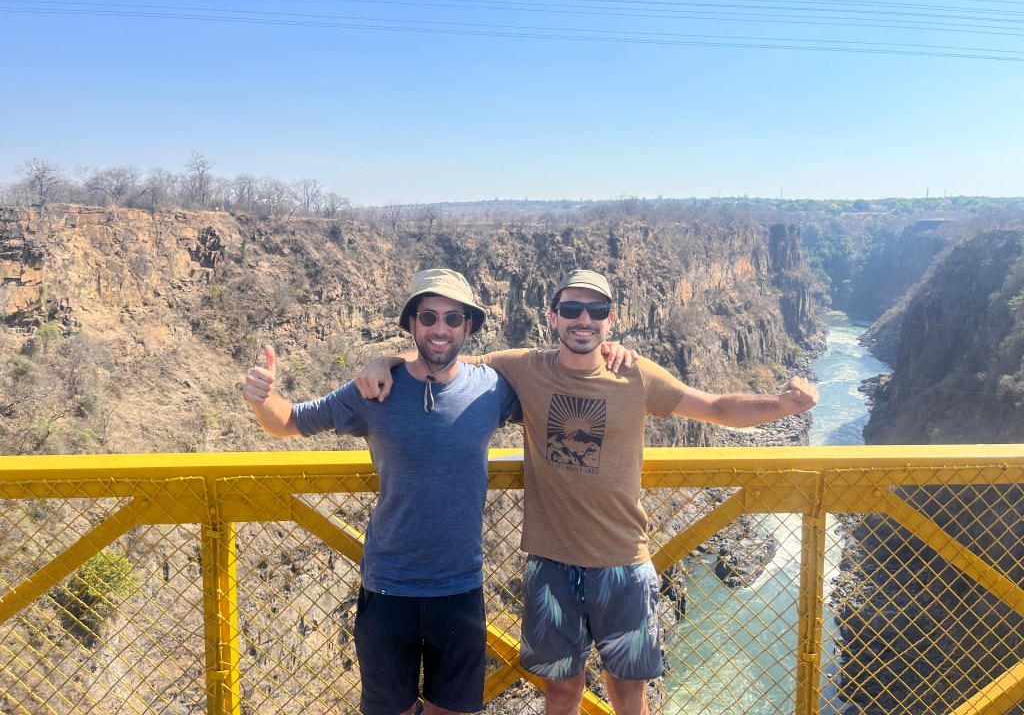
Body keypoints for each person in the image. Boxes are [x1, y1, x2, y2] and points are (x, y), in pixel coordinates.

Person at [356, 269, 820, 715]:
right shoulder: (523, 367)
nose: (584, 319)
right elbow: (446, 358)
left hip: (622, 562)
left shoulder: (636, 374)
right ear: (553, 316)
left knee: (630, 699)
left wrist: (782, 405)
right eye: (572, 308)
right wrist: (388, 362)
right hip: (550, 564)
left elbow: (716, 407)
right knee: (560, 697)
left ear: (609, 319)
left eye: (596, 310)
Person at [242, 268, 522, 715]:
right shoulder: (372, 392)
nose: (440, 329)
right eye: (428, 317)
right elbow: (288, 422)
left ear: (469, 327)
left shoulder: (492, 389)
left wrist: (611, 357)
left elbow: (554, 379)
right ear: (411, 323)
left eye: (453, 318)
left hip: (460, 586)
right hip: (389, 586)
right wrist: (262, 398)